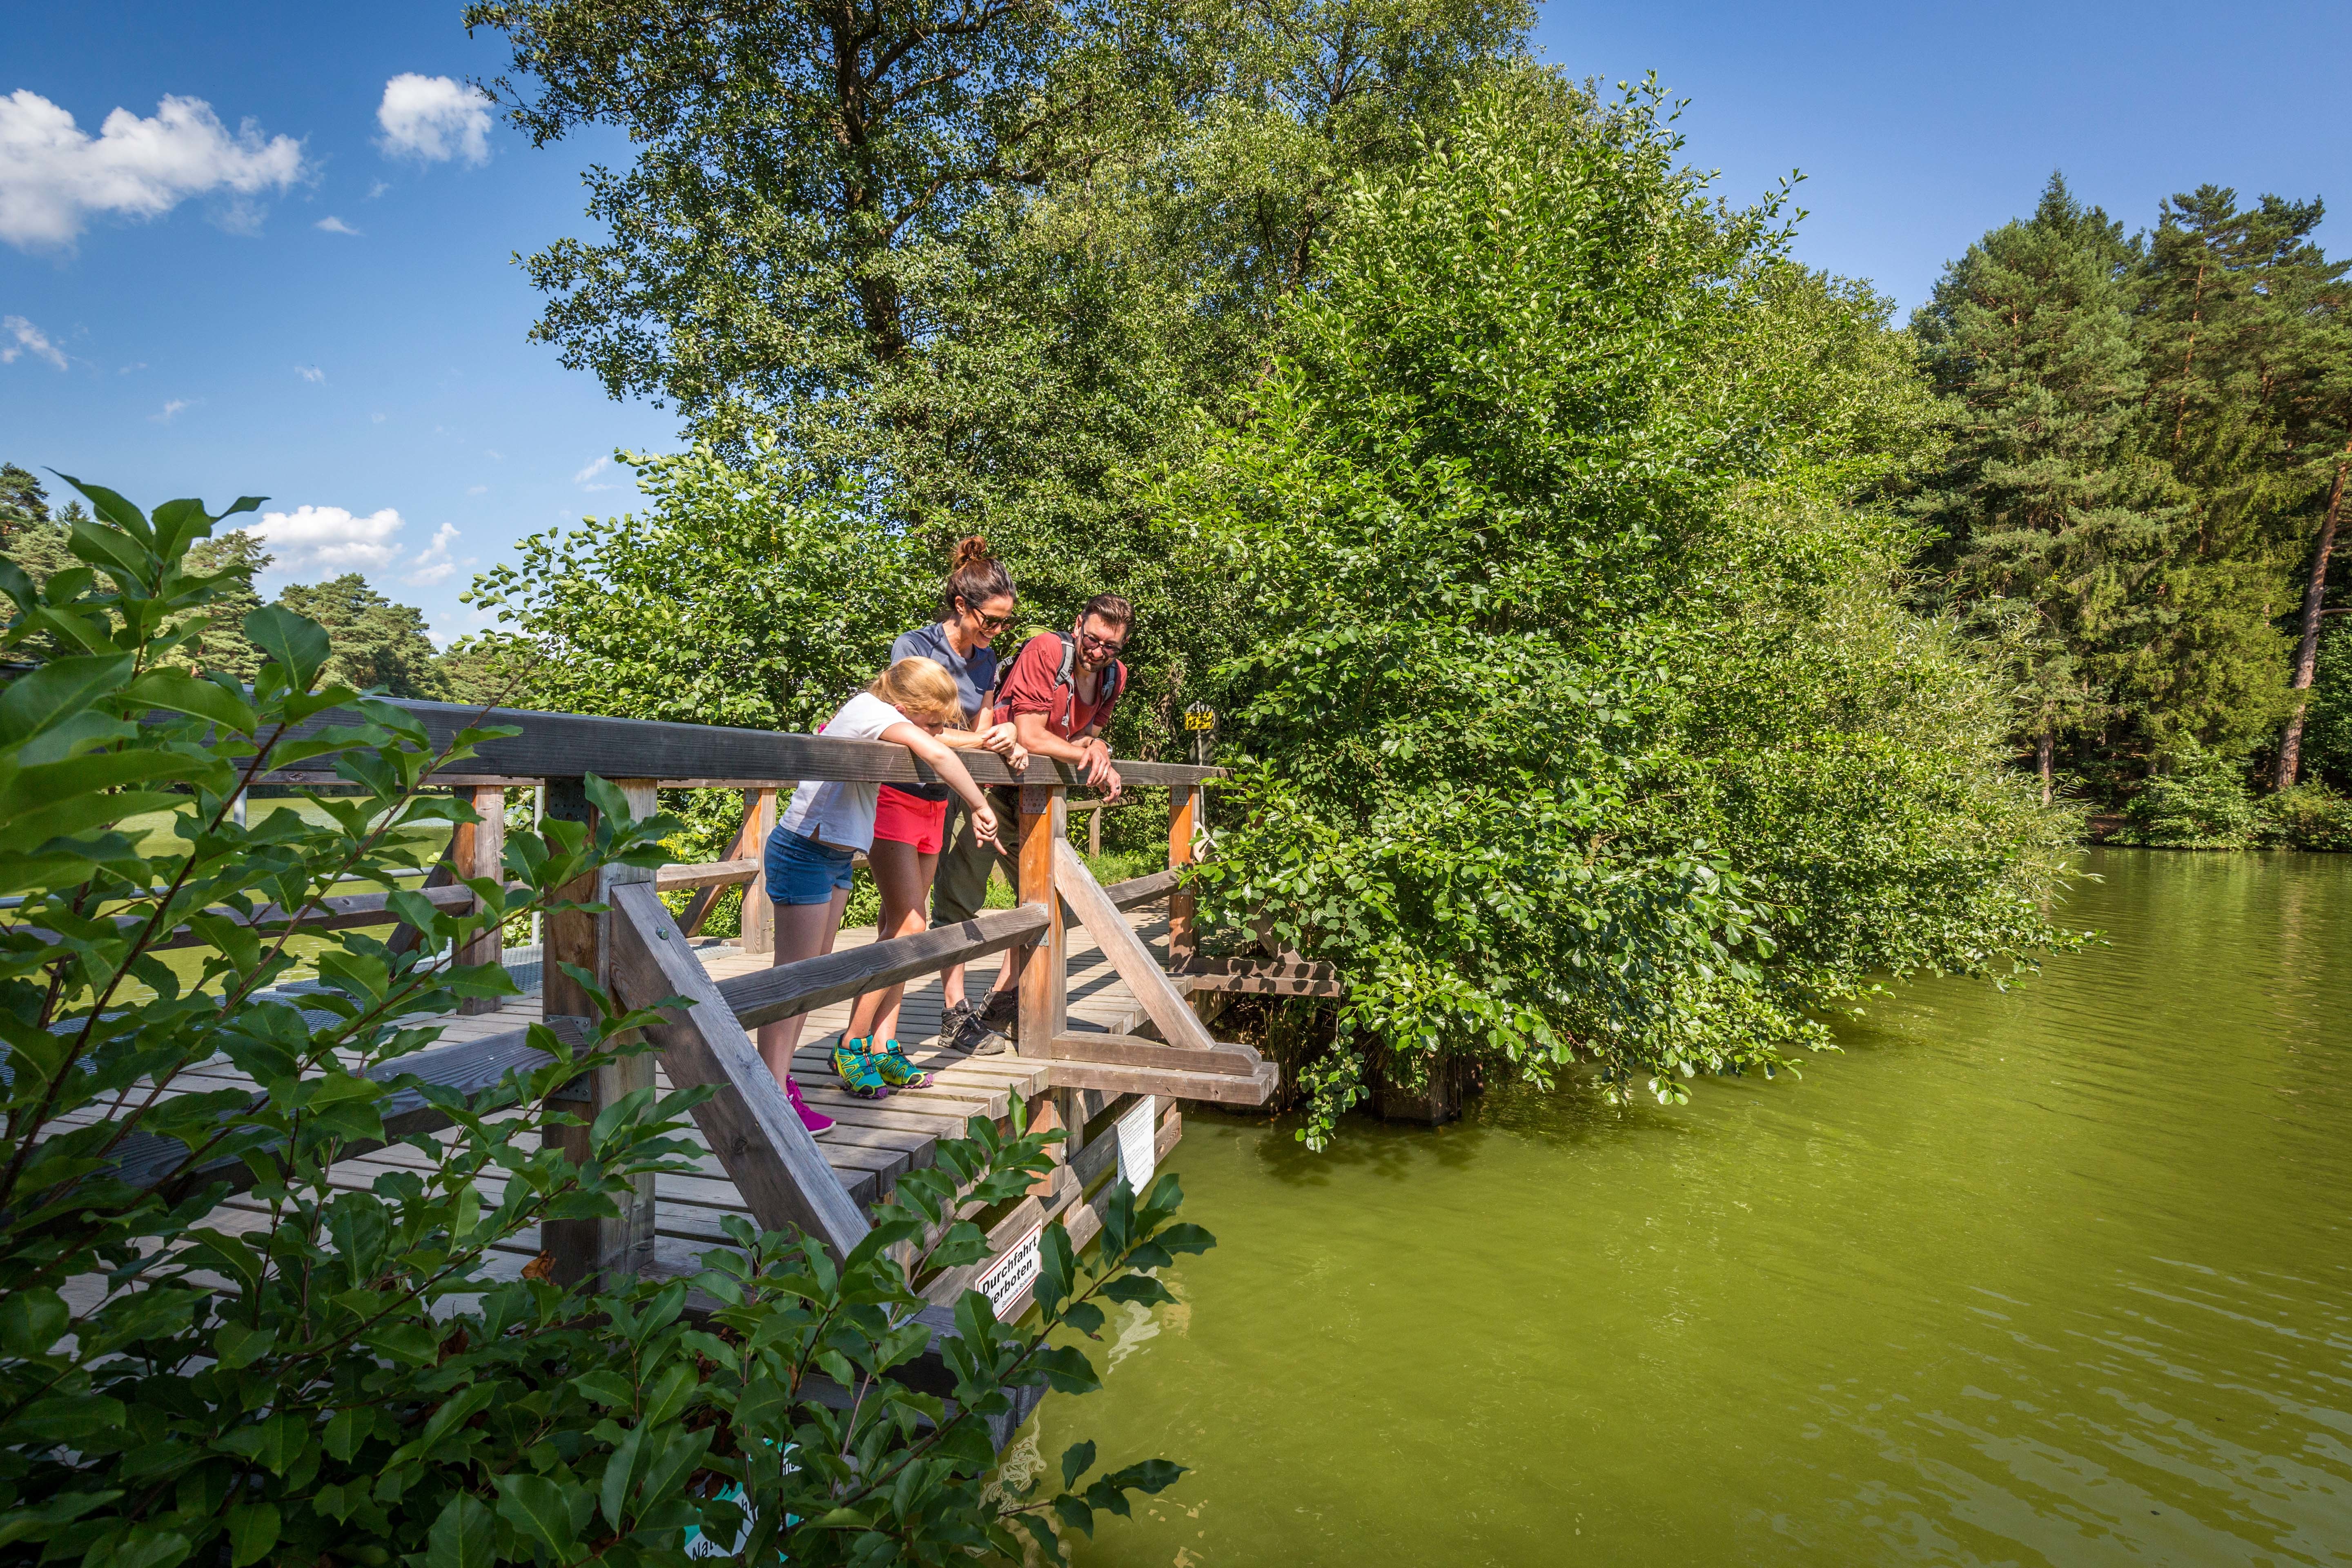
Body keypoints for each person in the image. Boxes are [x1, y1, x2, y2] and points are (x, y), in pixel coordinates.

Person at [757, 657, 1003, 1122]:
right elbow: (938, 754)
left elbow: (935, 743)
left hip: (833, 856)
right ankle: (771, 1098)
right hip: (804, 851)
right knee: (793, 980)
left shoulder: (887, 716)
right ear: (905, 706)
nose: (933, 730)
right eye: (929, 721)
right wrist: (977, 803)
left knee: (810, 982)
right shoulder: (871, 711)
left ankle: (780, 1082)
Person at [839, 539, 1028, 1063]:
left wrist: (998, 740)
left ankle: (885, 1041)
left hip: (940, 798)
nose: (998, 632)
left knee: (902, 923)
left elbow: (981, 727)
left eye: (1006, 623)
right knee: (909, 922)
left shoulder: (987, 659)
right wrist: (989, 741)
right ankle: (852, 1042)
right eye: (992, 621)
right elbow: (917, 727)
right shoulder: (915, 646)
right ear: (963, 607)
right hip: (898, 793)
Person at [934, 593, 1133, 1051]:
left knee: (1047, 897)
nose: (1099, 652)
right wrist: (1089, 753)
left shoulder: (1113, 678)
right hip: (985, 784)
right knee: (959, 898)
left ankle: (1001, 1001)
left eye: (1111, 647)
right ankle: (953, 1013)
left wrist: (1097, 749)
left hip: (1033, 796)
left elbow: (1087, 736)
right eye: (1094, 638)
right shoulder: (1046, 649)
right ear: (1078, 624)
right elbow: (1029, 733)